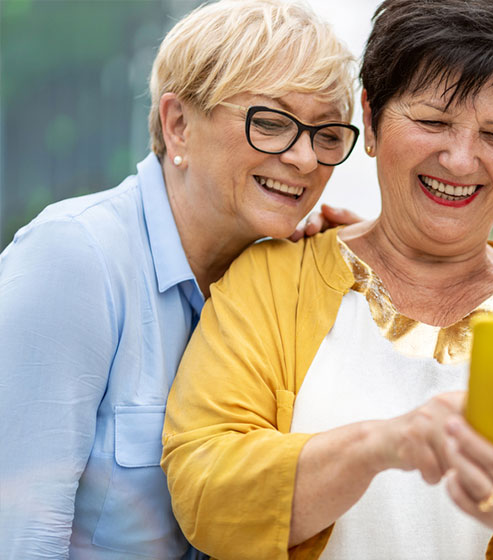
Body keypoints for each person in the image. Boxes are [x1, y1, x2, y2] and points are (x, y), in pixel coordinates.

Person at [161, 1, 493, 559]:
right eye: (432, 121)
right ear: (372, 118)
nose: (459, 160)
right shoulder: (270, 280)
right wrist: (383, 444)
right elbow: (204, 484)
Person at [0, 1, 359, 557]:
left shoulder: (288, 281)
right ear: (178, 125)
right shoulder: (75, 258)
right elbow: (20, 535)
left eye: (329, 134)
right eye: (270, 123)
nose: (306, 158)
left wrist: (367, 267)